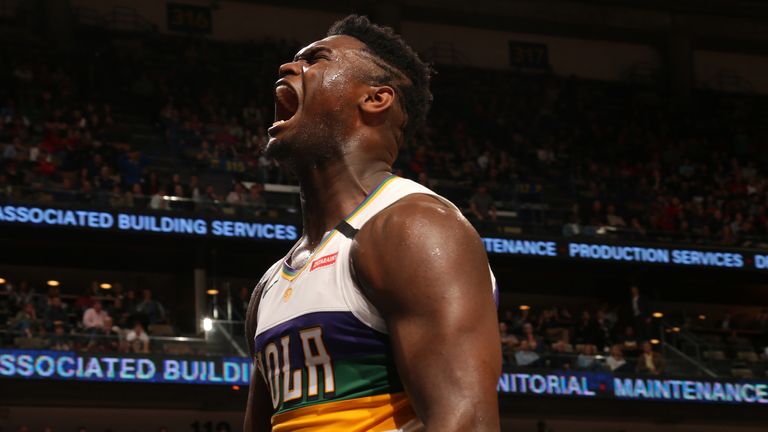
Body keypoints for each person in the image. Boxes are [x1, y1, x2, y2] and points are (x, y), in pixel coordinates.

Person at [245, 15, 500, 432]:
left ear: (376, 99)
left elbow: (466, 422)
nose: (289, 68)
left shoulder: (413, 228)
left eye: (316, 60)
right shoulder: (271, 283)